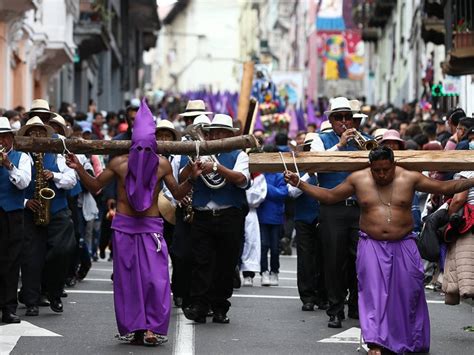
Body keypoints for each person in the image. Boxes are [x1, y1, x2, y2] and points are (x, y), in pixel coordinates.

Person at [284, 146, 474, 355]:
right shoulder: (358, 179)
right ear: (370, 167)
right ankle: (375, 343)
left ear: (393, 164)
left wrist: (472, 180)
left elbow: (446, 187)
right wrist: (299, 183)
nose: (382, 174)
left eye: (386, 169)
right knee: (372, 294)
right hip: (371, 244)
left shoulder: (410, 177)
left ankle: (412, 340)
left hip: (404, 243)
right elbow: (330, 196)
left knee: (410, 291)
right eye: (377, 170)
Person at [66, 100, 200, 346]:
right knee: (127, 280)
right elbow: (96, 186)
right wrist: (77, 168)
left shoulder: (162, 164)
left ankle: (151, 327)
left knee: (155, 279)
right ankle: (135, 327)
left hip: (151, 228)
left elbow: (178, 194)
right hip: (124, 227)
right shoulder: (118, 163)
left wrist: (192, 178)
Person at [179, 113, 249, 324]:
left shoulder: (240, 155)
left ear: (230, 135)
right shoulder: (197, 152)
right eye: (213, 132)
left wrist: (217, 167)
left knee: (226, 263)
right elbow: (181, 178)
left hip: (229, 215)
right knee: (201, 262)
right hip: (202, 215)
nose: (216, 135)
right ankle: (199, 306)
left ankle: (220, 307)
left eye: (221, 132)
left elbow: (242, 180)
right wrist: (193, 170)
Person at [309, 96, 368, 328]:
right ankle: (335, 310)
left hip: (360, 208)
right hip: (332, 209)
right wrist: (340, 145)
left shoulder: (366, 140)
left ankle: (356, 305)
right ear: (331, 120)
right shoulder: (319, 139)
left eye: (348, 117)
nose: (344, 121)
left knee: (361, 260)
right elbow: (315, 164)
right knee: (334, 261)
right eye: (339, 117)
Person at [0, 117, 32, 323]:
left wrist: (8, 165)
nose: (1, 141)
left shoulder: (21, 158)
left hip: (12, 214)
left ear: (11, 138)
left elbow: (24, 183)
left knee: (11, 262)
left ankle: (8, 308)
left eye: (4, 137)